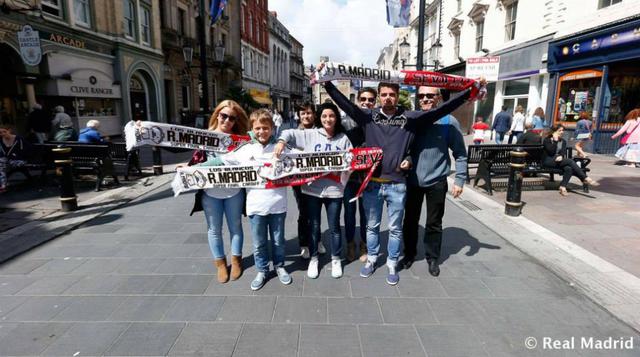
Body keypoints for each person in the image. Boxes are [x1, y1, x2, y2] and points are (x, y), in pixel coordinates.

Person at [323, 64, 485, 285]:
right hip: (373, 184)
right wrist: (326, 82)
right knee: (371, 226)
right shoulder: (368, 117)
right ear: (379, 96)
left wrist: (468, 93)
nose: (388, 98)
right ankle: (371, 259)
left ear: (398, 96)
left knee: (396, 228)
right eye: (384, 95)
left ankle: (391, 262)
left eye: (392, 94)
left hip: (397, 185)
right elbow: (345, 104)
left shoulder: (411, 118)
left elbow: (442, 111)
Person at [275, 102, 353, 279]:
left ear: (336, 118)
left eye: (331, 116)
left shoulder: (343, 138)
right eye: (324, 116)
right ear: (320, 118)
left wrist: (346, 168)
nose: (328, 119)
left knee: (334, 227)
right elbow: (288, 132)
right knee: (314, 225)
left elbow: (351, 161)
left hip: (334, 190)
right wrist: (281, 141)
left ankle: (335, 259)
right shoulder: (310, 134)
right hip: (312, 190)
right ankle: (314, 258)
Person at [218, 109, 292, 290]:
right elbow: (221, 160)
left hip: (277, 205)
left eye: (265, 128)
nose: (262, 132)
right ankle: (262, 270)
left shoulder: (282, 149)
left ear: (272, 128)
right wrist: (192, 167)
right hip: (255, 207)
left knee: (278, 241)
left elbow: (305, 159)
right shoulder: (245, 149)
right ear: (252, 129)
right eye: (258, 128)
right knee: (259, 243)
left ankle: (280, 266)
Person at [401, 85, 467, 276]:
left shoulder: (449, 122)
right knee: (410, 221)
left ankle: (432, 258)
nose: (425, 99)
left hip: (437, 181)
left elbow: (460, 154)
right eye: (421, 96)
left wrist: (460, 180)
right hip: (412, 180)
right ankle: (410, 253)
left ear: (438, 98)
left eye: (430, 95)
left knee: (434, 222)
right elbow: (403, 148)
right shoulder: (412, 120)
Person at [190, 100, 250, 283]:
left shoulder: (240, 140)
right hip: (211, 193)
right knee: (214, 229)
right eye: (224, 116)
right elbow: (174, 140)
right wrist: (145, 130)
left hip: (234, 192)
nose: (227, 121)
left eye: (232, 118)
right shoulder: (204, 137)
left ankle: (236, 260)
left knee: (235, 227)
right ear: (217, 115)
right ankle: (220, 263)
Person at [343, 87, 376, 262]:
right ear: (357, 101)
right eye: (363, 99)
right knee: (349, 213)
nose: (366, 102)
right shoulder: (345, 122)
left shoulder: (378, 122)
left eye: (370, 100)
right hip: (349, 177)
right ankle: (350, 243)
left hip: (369, 178)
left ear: (374, 102)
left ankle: (364, 243)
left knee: (366, 213)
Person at [289, 102, 325, 259]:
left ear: (314, 115)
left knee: (316, 212)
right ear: (298, 115)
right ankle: (304, 244)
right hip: (300, 180)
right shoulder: (292, 133)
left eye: (309, 113)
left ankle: (317, 241)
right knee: (304, 212)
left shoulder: (321, 132)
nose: (306, 116)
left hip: (319, 178)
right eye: (303, 113)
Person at [542, 124, 599, 196]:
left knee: (568, 168)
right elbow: (551, 152)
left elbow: (562, 152)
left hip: (558, 162)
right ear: (554, 132)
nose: (562, 132)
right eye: (560, 130)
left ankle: (562, 187)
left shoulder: (563, 141)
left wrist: (561, 156)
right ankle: (585, 178)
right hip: (548, 161)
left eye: (562, 130)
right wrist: (555, 141)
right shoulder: (547, 140)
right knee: (570, 161)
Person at [0, 124, 30, 192]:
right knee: (1, 164)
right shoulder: (1, 140)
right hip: (8, 161)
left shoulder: (18, 139)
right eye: (0, 132)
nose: (2, 134)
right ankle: (3, 185)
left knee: (1, 165)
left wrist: (15, 155)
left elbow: (27, 150)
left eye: (4, 132)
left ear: (9, 131)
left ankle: (3, 185)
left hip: (20, 160)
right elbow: (3, 154)